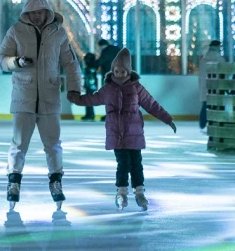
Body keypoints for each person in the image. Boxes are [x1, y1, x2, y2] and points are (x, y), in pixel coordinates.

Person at [0, 0, 82, 210]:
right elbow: (1, 60)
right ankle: (13, 182)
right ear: (26, 14)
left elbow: (71, 64)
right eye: (32, 13)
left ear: (46, 12)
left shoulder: (58, 33)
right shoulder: (16, 31)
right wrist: (17, 62)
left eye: (39, 12)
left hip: (49, 98)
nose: (36, 16)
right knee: (18, 144)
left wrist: (74, 88)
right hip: (23, 97)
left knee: (53, 144)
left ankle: (56, 181)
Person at [68, 48, 176, 211]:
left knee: (136, 164)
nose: (119, 74)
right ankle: (121, 192)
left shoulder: (137, 88)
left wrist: (167, 119)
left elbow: (151, 104)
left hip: (134, 133)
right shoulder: (108, 89)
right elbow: (91, 99)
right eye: (116, 71)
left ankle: (139, 192)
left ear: (128, 71)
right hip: (116, 134)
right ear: (112, 70)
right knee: (123, 164)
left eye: (123, 71)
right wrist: (76, 98)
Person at [198, 40, 225, 133]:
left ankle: (202, 124)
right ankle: (217, 124)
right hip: (217, 86)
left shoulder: (203, 60)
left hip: (205, 87)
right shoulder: (220, 60)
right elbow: (224, 74)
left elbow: (201, 76)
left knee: (205, 105)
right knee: (218, 106)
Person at [95, 39, 120, 121]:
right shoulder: (117, 49)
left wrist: (91, 63)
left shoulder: (106, 51)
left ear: (101, 46)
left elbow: (101, 61)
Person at [81, 53, 98, 121]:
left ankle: (90, 115)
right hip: (91, 86)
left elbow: (90, 78)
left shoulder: (89, 68)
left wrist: (86, 85)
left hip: (90, 87)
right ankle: (89, 114)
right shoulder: (92, 67)